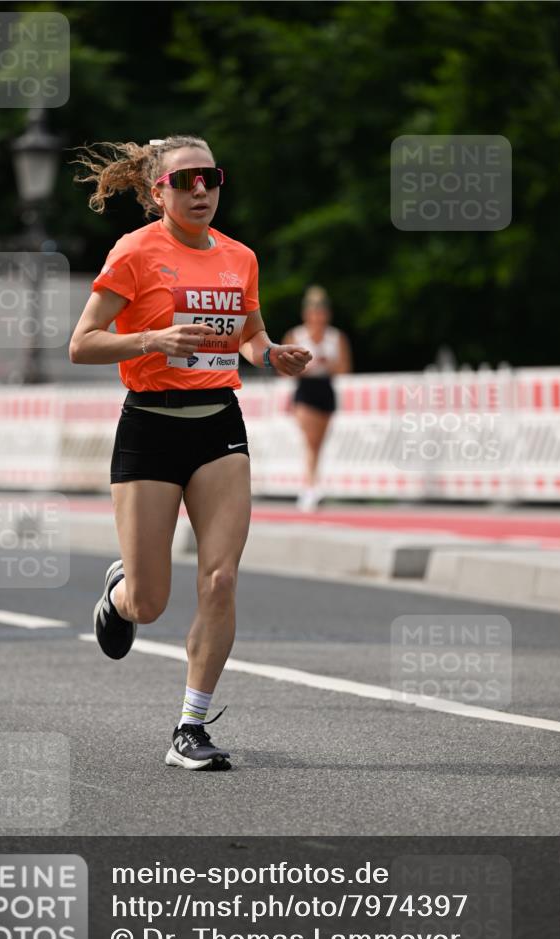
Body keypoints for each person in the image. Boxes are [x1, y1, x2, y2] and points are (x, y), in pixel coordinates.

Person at [68, 135, 311, 771]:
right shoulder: (135, 253)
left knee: (221, 577)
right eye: (185, 181)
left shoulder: (240, 258)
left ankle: (190, 726)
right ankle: (120, 591)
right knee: (150, 603)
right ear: (159, 192)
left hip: (218, 428)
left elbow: (249, 333)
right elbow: (83, 344)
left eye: (210, 178)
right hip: (149, 428)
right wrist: (153, 338)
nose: (200, 190)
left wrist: (271, 355)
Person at [282, 286, 352, 511]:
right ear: (306, 314)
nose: (317, 317)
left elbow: (344, 367)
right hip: (305, 388)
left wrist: (327, 365)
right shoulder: (296, 335)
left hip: (326, 388)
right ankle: (310, 487)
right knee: (310, 441)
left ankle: (313, 484)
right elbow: (283, 368)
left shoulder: (336, 337)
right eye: (314, 312)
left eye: (321, 312)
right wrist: (307, 367)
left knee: (319, 443)